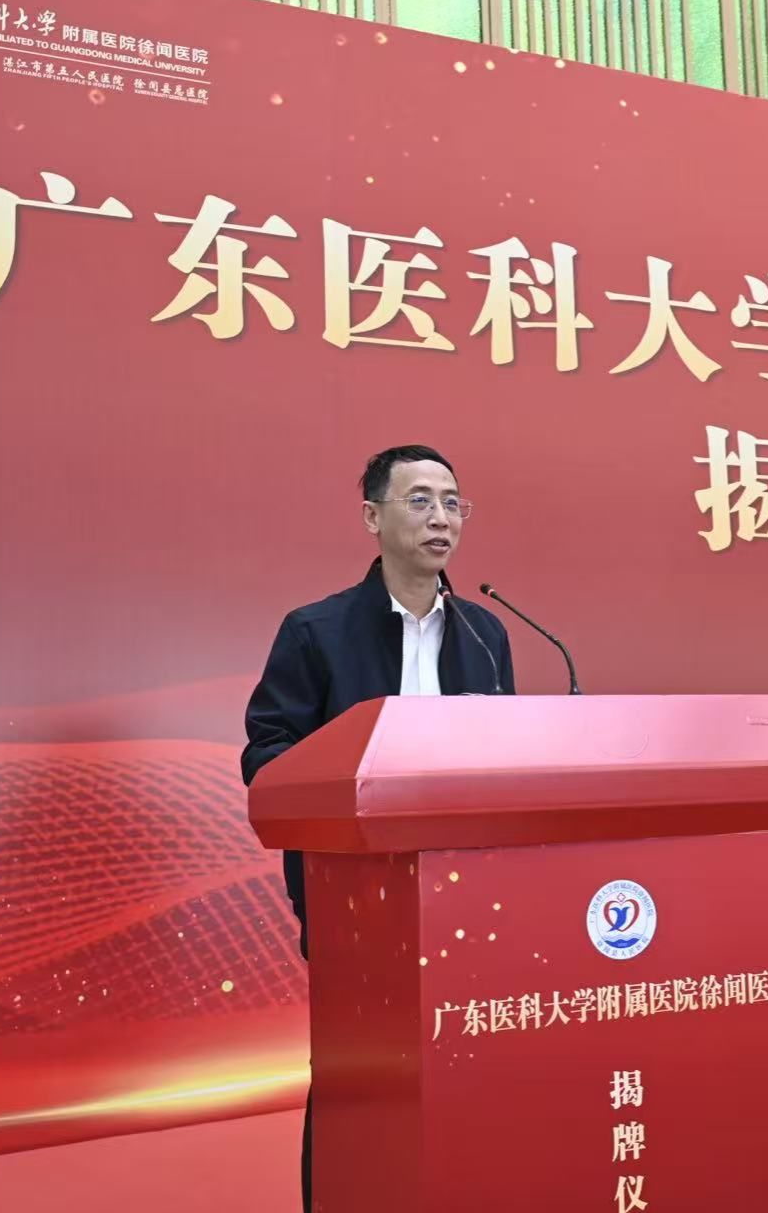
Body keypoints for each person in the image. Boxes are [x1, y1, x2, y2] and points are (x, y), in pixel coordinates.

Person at [239, 444, 514, 1212]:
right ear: (373, 516)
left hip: (472, 896)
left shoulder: (487, 633)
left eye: (453, 502)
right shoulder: (316, 631)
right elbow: (268, 756)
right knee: (359, 1071)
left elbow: (509, 757)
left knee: (469, 1057)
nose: (441, 517)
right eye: (420, 500)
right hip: (356, 897)